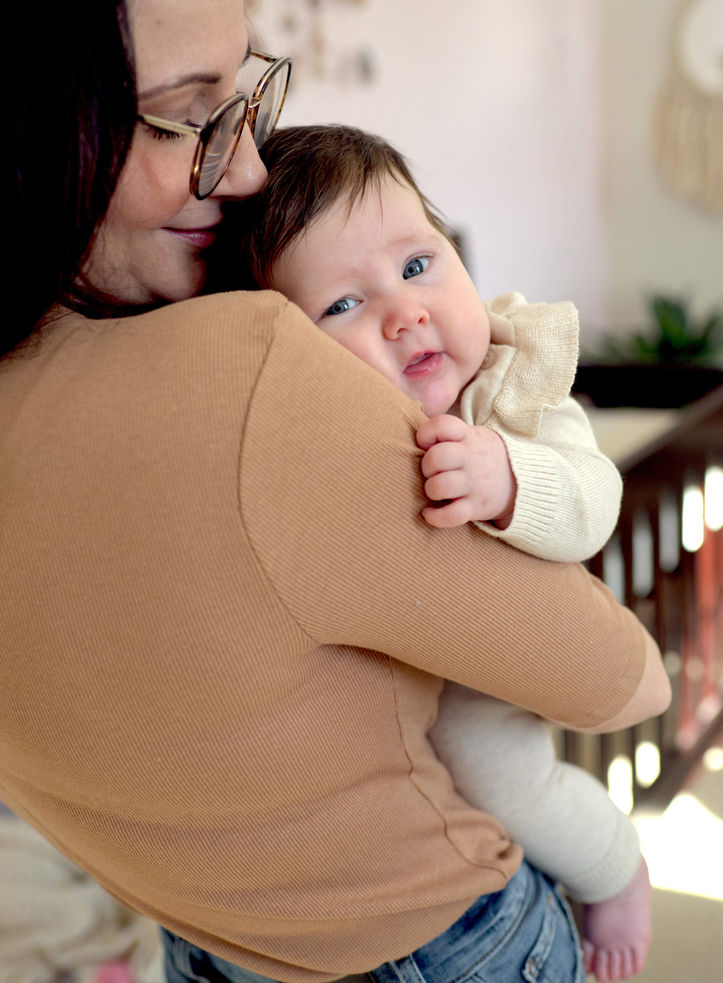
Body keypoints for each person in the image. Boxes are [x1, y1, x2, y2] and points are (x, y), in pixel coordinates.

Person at [3, 5, 670, 983]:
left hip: (204, 940)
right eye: (187, 117)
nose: (244, 171)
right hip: (432, 932)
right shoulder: (251, 369)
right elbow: (624, 676)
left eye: (242, 100)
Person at [221, 123, 654, 982]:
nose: (404, 310)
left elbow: (593, 503)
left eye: (418, 264)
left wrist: (508, 479)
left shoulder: (510, 390)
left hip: (485, 684)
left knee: (500, 779)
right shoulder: (328, 435)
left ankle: (615, 869)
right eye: (342, 304)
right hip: (373, 714)